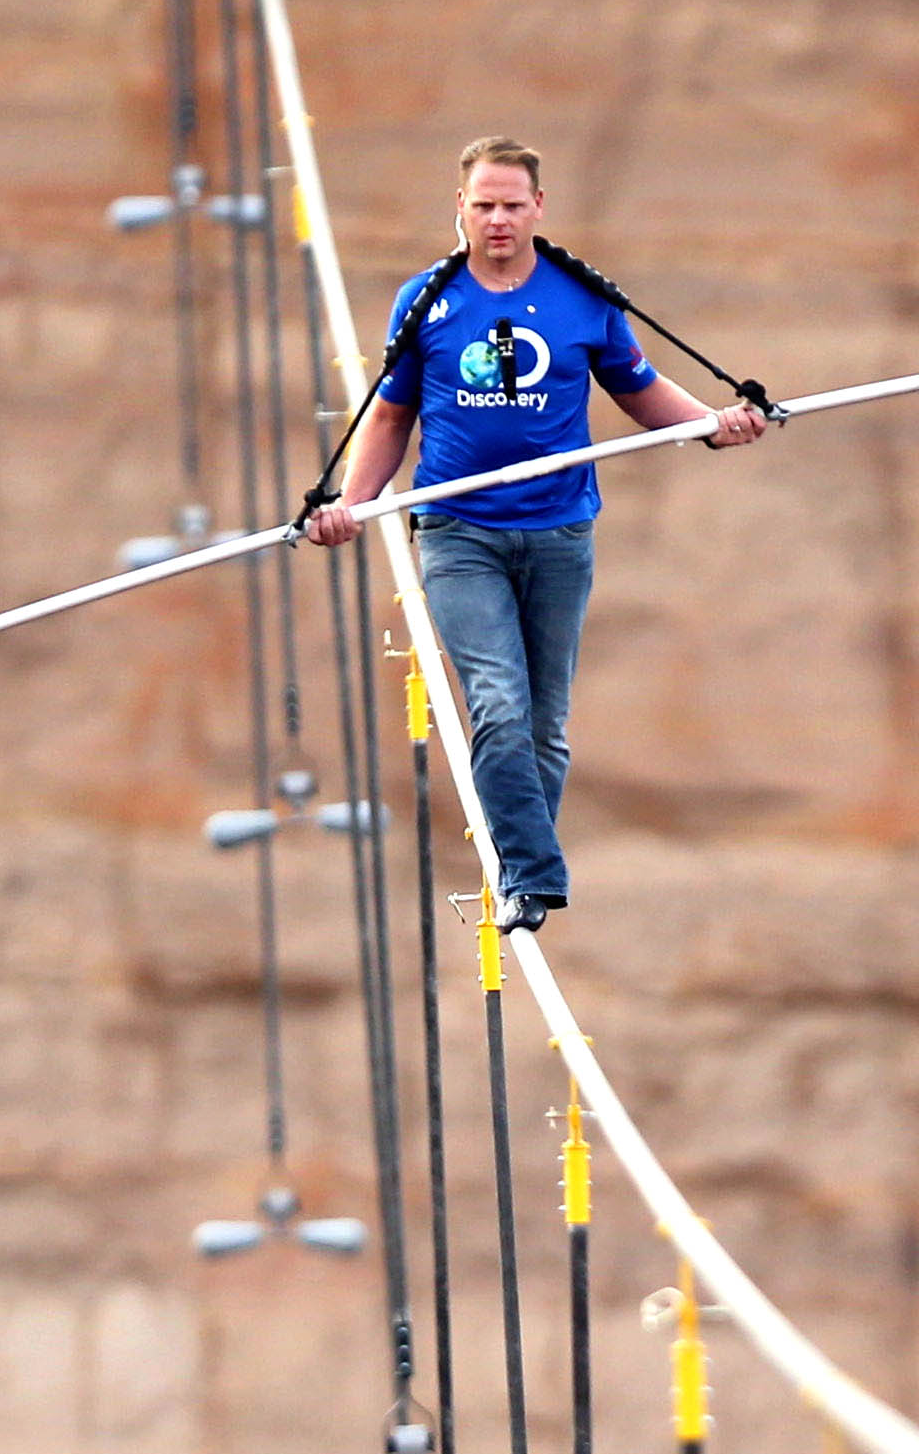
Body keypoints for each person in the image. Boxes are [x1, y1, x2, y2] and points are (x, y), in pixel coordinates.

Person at [300, 136, 769, 924]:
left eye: (512, 205)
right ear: (460, 209)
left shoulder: (582, 297)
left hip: (559, 534)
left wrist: (715, 428)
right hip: (458, 531)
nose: (497, 220)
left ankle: (523, 866)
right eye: (482, 205)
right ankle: (529, 877)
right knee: (499, 704)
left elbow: (641, 393)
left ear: (539, 208)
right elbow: (389, 415)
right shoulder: (427, 300)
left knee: (546, 727)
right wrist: (349, 504)